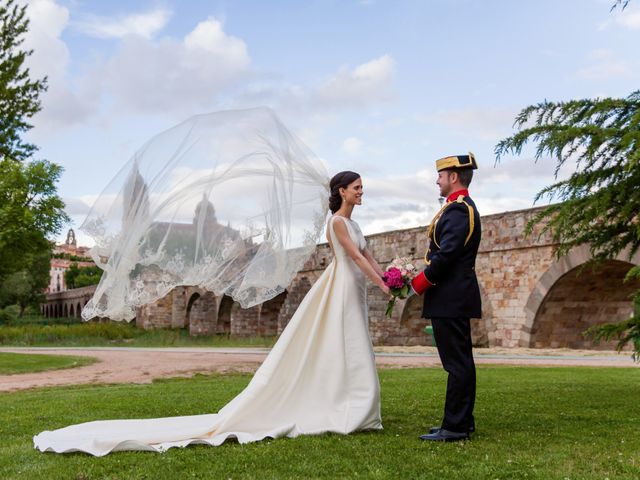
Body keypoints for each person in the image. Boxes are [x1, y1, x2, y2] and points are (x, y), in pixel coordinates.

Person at [33, 171, 390, 456]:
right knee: (343, 341)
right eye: (357, 187)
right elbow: (356, 259)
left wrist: (390, 277)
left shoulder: (356, 226)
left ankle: (352, 405)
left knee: (352, 344)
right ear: (341, 191)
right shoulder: (338, 224)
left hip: (353, 286)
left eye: (362, 187)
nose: (362, 191)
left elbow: (368, 256)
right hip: (342, 284)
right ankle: (350, 408)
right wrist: (385, 284)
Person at [410, 153, 482, 442]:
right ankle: (461, 421)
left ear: (453, 177)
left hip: (450, 296)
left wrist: (419, 283)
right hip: (452, 296)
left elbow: (447, 255)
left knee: (456, 363)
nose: (437, 180)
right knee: (459, 362)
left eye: (440, 175)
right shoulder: (457, 208)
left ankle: (455, 426)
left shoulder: (459, 210)